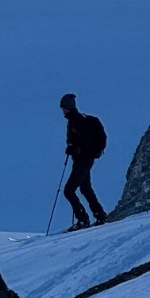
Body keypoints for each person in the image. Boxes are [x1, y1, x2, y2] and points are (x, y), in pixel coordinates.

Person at [59, 92, 108, 230]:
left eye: (63, 107)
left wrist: (75, 150)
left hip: (83, 159)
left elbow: (85, 142)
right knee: (85, 188)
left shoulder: (76, 122)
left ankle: (83, 219)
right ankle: (100, 215)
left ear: (67, 107)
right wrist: (72, 148)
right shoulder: (77, 121)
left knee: (69, 190)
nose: (62, 110)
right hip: (84, 159)